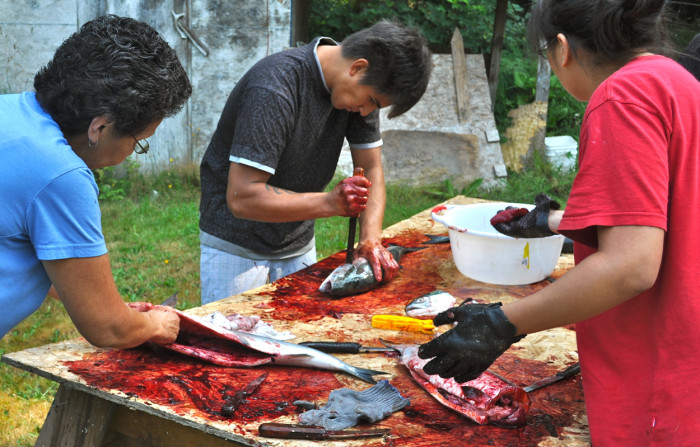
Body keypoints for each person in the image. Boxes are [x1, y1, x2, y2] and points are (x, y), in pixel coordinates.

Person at [417, 1, 700, 445]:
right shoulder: (675, 79)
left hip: (655, 375)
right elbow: (673, 212)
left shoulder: (620, 97)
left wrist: (502, 323)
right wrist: (552, 222)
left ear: (562, 49)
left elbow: (631, 266)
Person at [198, 20, 432, 304]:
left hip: (297, 243)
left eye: (376, 106)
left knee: (296, 341)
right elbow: (242, 197)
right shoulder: (274, 87)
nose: (367, 110)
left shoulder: (360, 93)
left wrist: (370, 239)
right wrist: (331, 203)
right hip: (236, 247)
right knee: (234, 346)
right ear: (358, 67)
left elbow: (371, 167)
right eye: (370, 100)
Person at [0, 15, 192, 348]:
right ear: (100, 128)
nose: (134, 151)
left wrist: (114, 309)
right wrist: (154, 324)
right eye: (138, 140)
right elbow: (108, 328)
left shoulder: (11, 113)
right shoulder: (61, 175)